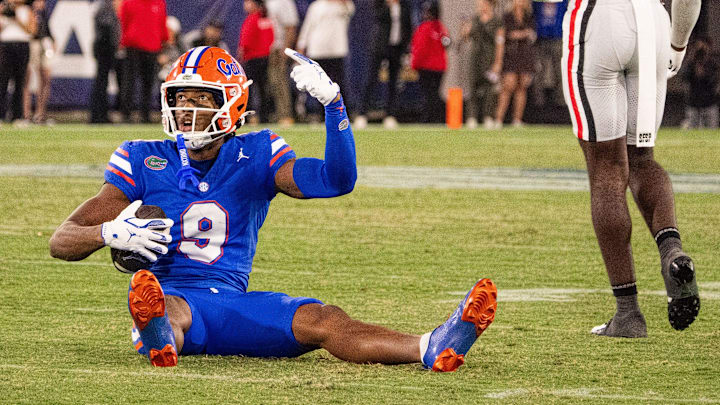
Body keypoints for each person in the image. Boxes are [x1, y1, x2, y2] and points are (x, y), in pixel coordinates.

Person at [48, 46, 497, 371]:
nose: (185, 109)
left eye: (200, 99)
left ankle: (430, 345)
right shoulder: (143, 157)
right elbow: (61, 241)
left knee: (323, 318)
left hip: (234, 303)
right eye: (180, 97)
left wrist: (334, 106)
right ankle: (156, 335)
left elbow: (337, 181)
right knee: (168, 309)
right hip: (177, 298)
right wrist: (106, 233)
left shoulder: (258, 153)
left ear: (232, 105)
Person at [561, 0, 702, 337]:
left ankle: (628, 314)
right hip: (653, 20)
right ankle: (671, 250)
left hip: (598, 19)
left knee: (606, 167)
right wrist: (678, 41)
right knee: (642, 158)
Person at [354, 0, 413, 130]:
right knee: (371, 80)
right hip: (380, 47)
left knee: (394, 82)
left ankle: (390, 115)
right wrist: (389, 6)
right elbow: (379, 17)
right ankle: (362, 114)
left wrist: (406, 46)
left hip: (396, 47)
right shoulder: (380, 4)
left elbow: (408, 26)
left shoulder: (404, 6)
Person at [296, 0, 354, 121]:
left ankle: (344, 114)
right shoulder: (316, 6)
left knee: (339, 84)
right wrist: (301, 44)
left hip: (337, 51)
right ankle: (323, 115)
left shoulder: (342, 5)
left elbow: (350, 10)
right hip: (318, 50)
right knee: (319, 86)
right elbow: (308, 26)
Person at [118, 0, 168, 123]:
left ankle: (143, 114)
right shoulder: (130, 2)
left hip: (150, 46)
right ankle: (128, 114)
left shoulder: (158, 3)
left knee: (147, 82)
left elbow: (161, 24)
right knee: (131, 82)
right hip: (134, 46)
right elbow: (123, 22)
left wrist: (163, 39)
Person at [461, 0, 503, 129]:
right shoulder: (474, 19)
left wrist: (498, 62)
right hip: (475, 56)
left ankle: (488, 117)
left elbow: (500, 42)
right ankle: (472, 117)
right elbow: (465, 36)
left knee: (490, 89)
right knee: (472, 86)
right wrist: (465, 28)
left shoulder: (497, 21)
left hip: (489, 57)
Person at [493, 0, 535, 129]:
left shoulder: (529, 16)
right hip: (510, 55)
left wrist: (524, 35)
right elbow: (502, 36)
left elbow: (532, 34)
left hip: (524, 55)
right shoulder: (506, 17)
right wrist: (498, 61)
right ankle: (498, 119)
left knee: (522, 86)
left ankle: (517, 119)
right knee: (508, 86)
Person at [410, 1, 449, 124]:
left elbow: (419, 49)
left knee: (428, 95)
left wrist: (414, 64)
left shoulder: (425, 28)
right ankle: (435, 118)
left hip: (427, 67)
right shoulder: (440, 27)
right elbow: (447, 42)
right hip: (439, 68)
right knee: (433, 94)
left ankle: (428, 119)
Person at [0, 0, 36, 124]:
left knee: (20, 81)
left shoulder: (27, 10)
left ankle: (17, 115)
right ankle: (1, 115)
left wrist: (16, 19)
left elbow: (32, 31)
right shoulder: (3, 9)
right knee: (2, 81)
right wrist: (4, 14)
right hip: (5, 45)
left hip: (22, 45)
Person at [238, 0, 274, 124]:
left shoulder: (252, 18)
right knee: (263, 89)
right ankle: (265, 116)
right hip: (264, 58)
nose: (245, 5)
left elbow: (245, 40)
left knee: (247, 89)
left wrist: (241, 53)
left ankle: (245, 117)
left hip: (253, 59)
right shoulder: (264, 18)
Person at [266, 0, 299, 126]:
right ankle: (273, 114)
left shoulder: (284, 2)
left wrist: (286, 48)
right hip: (264, 49)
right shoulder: (265, 2)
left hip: (278, 47)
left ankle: (285, 115)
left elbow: (290, 26)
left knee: (280, 82)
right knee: (270, 83)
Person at [90, 0, 122, 124]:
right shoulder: (106, 6)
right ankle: (98, 115)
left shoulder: (104, 5)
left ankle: (102, 114)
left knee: (103, 81)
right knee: (101, 81)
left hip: (106, 46)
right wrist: (115, 43)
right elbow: (106, 27)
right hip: (105, 47)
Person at [22, 0, 54, 125]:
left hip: (44, 42)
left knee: (46, 77)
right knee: (27, 79)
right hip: (32, 42)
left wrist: (52, 39)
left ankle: (40, 114)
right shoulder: (27, 9)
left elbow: (46, 25)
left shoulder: (43, 11)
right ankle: (26, 113)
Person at [680, 37, 719, 129]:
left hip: (709, 103)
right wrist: (692, 59)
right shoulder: (690, 63)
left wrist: (704, 73)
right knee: (692, 131)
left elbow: (713, 81)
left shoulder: (712, 64)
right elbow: (683, 77)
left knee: (712, 131)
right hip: (693, 103)